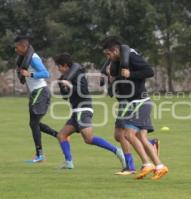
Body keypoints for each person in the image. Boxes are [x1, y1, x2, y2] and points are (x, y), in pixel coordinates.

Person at [101, 36, 168, 180]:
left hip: (140, 102)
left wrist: (131, 74)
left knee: (128, 134)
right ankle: (160, 166)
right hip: (134, 102)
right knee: (139, 136)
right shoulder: (117, 62)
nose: (108, 57)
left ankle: (147, 164)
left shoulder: (131, 57)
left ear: (115, 50)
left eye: (108, 54)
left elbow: (149, 71)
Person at [54, 53, 125, 170]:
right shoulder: (65, 78)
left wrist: (70, 86)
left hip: (84, 108)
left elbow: (83, 91)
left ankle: (117, 151)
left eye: (59, 67)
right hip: (76, 110)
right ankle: (69, 163)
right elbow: (65, 97)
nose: (58, 69)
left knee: (88, 138)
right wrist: (63, 88)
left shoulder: (79, 75)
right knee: (62, 135)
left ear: (65, 66)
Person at [100, 59, 160, 175]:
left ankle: (130, 166)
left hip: (128, 103)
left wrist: (111, 76)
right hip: (125, 102)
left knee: (122, 134)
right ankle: (150, 144)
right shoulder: (113, 63)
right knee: (122, 135)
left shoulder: (120, 64)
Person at [15, 36, 57, 163]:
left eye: (16, 47)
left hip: (41, 92)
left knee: (33, 123)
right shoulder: (24, 59)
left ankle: (40, 155)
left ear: (24, 47)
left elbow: (46, 73)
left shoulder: (33, 58)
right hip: (36, 93)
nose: (15, 49)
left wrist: (30, 74)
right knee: (34, 123)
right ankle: (58, 135)